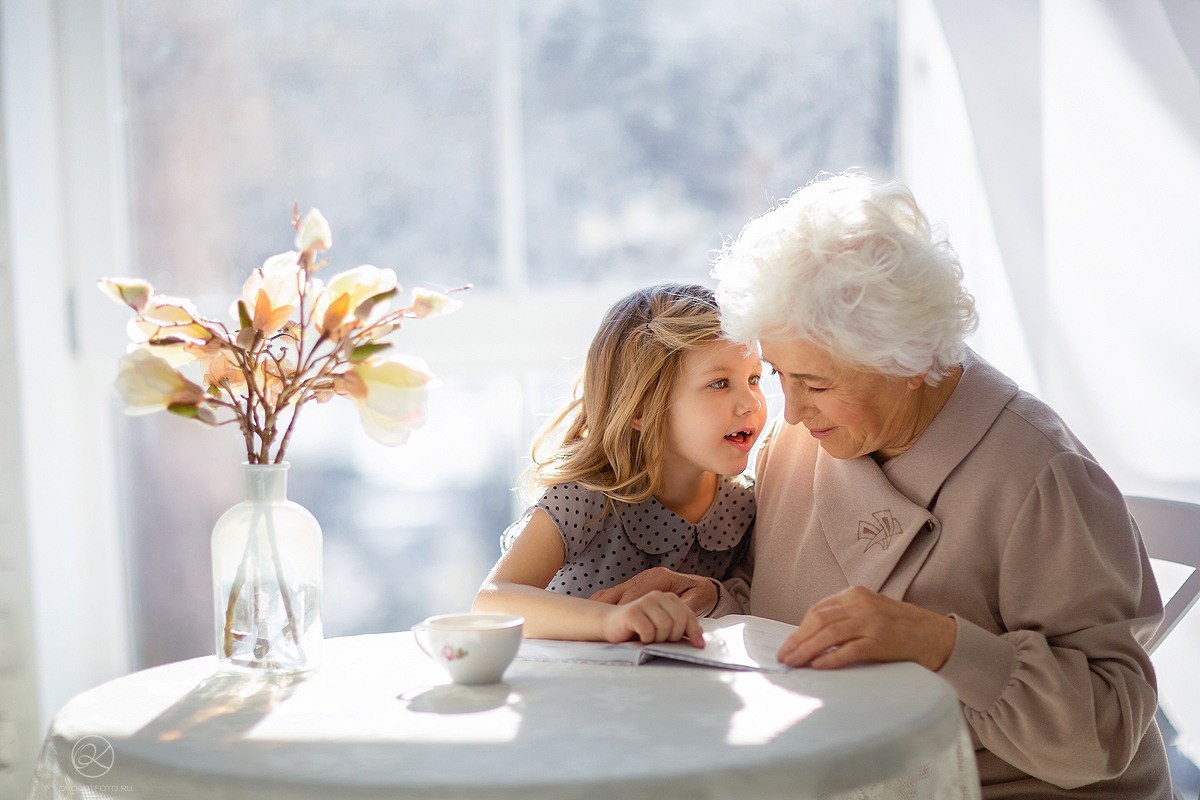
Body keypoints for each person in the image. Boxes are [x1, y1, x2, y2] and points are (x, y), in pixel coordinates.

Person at [593, 174, 1172, 797]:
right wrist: (714, 603)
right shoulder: (805, 441)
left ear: (912, 361)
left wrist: (939, 643)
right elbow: (801, 614)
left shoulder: (1042, 476)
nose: (789, 412)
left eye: (815, 383)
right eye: (779, 375)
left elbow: (1106, 733)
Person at [473, 283, 767, 647]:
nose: (751, 402)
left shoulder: (744, 504)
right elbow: (492, 602)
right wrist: (610, 621)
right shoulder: (585, 498)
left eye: (754, 378)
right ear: (641, 409)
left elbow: (750, 606)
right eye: (720, 383)